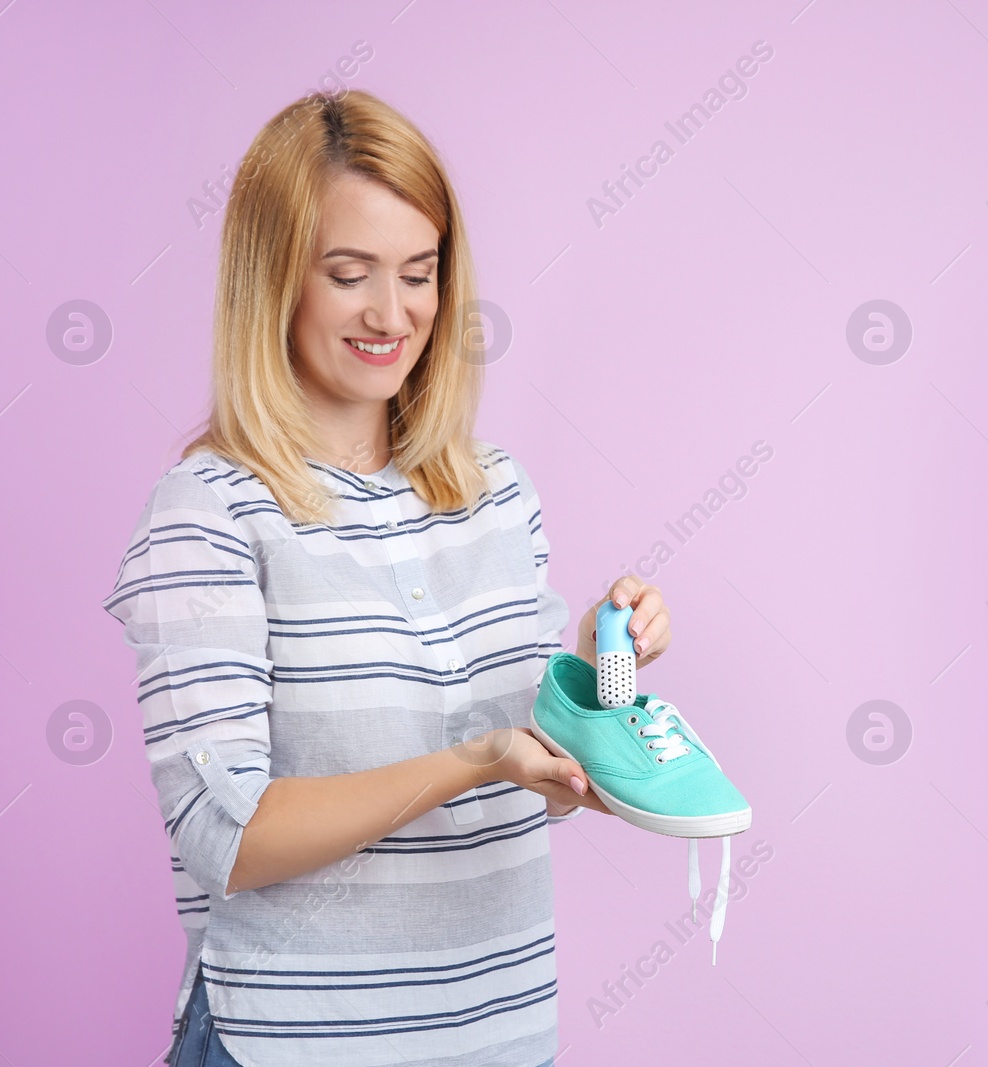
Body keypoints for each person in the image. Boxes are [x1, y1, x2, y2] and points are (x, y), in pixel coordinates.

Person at [101, 87, 671, 1067]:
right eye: (348, 273)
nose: (391, 313)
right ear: (272, 280)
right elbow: (224, 834)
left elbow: (544, 783)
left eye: (419, 272)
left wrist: (596, 669)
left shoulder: (495, 492)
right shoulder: (209, 513)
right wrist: (473, 758)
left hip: (501, 1036)